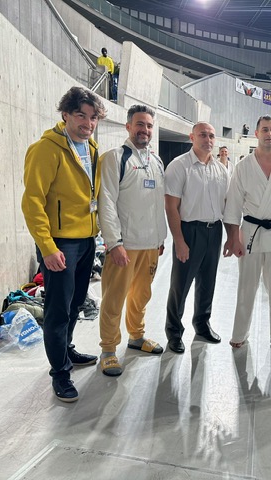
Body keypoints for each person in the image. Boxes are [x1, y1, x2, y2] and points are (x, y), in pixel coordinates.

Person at [21, 86, 107, 402]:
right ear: (65, 114)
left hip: (86, 240)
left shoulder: (92, 148)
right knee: (58, 310)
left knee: (75, 303)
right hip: (60, 243)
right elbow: (32, 201)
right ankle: (59, 372)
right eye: (81, 116)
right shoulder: (46, 149)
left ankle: (66, 350)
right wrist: (47, 247)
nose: (88, 123)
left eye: (93, 117)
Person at [97, 105, 166, 376]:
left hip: (150, 245)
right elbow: (106, 203)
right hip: (125, 246)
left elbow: (156, 203)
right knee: (114, 299)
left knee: (141, 295)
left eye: (149, 126)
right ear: (128, 127)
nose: (144, 130)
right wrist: (114, 243)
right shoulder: (115, 158)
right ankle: (108, 349)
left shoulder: (157, 161)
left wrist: (160, 238)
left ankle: (136, 336)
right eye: (139, 124)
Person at [223, 115, 271, 350]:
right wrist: (233, 238)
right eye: (265, 130)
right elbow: (233, 204)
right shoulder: (243, 166)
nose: (269, 134)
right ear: (256, 133)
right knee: (246, 286)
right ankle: (239, 333)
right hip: (250, 232)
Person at [165, 122, 229, 354]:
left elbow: (226, 205)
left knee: (208, 282)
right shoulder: (179, 166)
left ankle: (202, 324)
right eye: (203, 135)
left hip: (214, 230)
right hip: (189, 231)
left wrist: (231, 236)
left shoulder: (221, 169)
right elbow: (171, 207)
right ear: (192, 137)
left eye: (211, 135)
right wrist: (179, 241)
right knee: (180, 285)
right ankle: (174, 332)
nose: (208, 139)